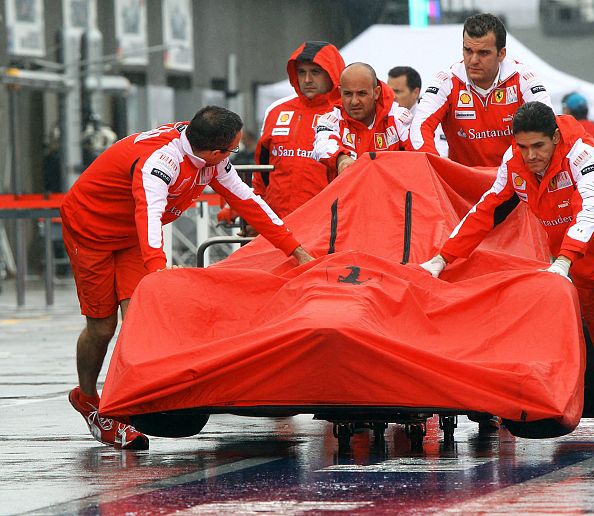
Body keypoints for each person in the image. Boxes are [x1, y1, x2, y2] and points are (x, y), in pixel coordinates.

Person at [60, 106, 315, 450]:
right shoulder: (161, 162)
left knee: (138, 319)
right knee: (102, 327)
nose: (231, 157)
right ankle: (88, 399)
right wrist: (157, 270)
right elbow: (149, 214)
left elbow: (247, 200)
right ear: (216, 151)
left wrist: (296, 250)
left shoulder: (210, 156)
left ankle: (126, 404)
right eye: (232, 150)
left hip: (132, 235)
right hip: (91, 230)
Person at [419, 101, 594, 448]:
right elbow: (486, 210)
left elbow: (592, 207)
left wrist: (564, 260)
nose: (531, 155)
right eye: (523, 147)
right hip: (582, 263)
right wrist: (442, 258)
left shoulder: (582, 152)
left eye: (538, 146)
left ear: (554, 137)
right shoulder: (514, 163)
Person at [409, 12, 553, 167]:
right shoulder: (447, 81)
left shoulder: (522, 78)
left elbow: (548, 125)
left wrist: (508, 172)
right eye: (468, 50)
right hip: (464, 178)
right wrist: (436, 166)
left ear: (501, 54)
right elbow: (419, 127)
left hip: (514, 176)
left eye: (483, 53)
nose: (473, 60)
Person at [251, 41, 345, 218]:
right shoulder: (276, 111)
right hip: (278, 223)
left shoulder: (344, 113)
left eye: (315, 72)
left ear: (332, 73)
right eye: (301, 72)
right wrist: (256, 217)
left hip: (325, 223)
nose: (307, 79)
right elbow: (261, 173)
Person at [312, 62, 412, 176]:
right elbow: (322, 145)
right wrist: (342, 159)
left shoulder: (398, 117)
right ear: (340, 93)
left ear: (376, 93)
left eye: (362, 94)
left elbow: (418, 151)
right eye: (348, 94)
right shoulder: (330, 120)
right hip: (347, 187)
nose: (354, 101)